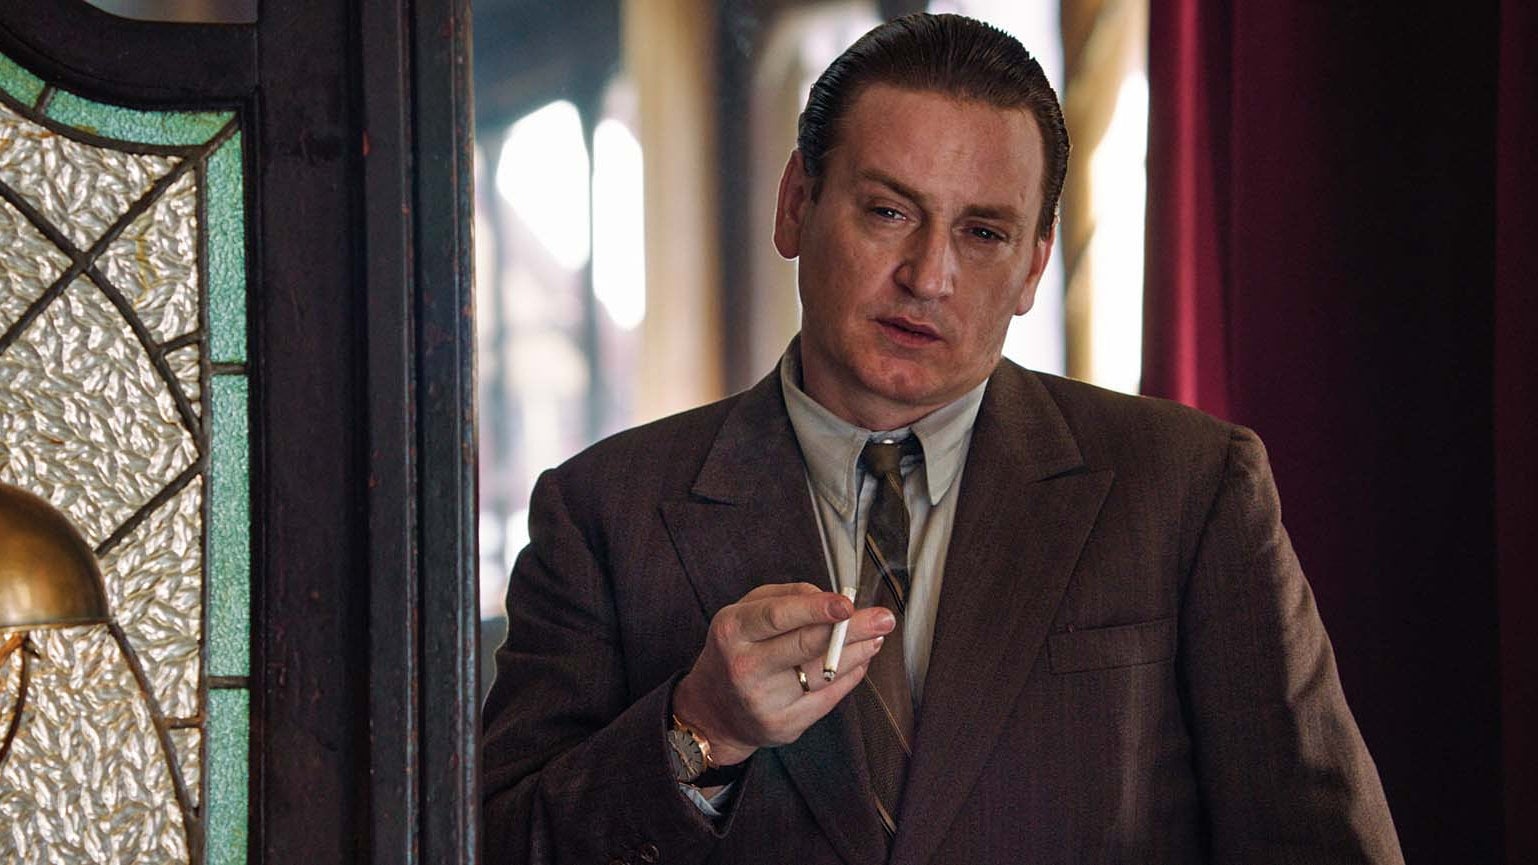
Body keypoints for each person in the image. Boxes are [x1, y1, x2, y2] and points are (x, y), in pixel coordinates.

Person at [482, 12, 1403, 864]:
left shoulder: (1190, 487)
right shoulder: (603, 510)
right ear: (797, 203)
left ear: (1034, 264)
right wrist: (701, 729)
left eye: (984, 232)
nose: (929, 276)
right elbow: (499, 842)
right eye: (889, 212)